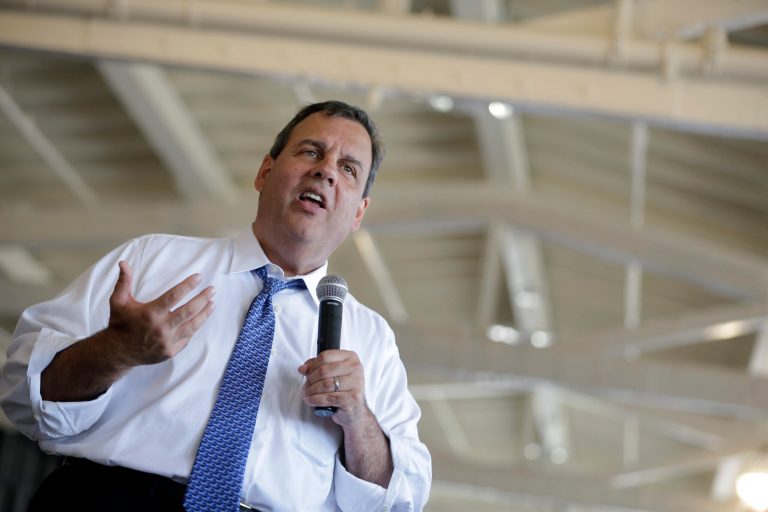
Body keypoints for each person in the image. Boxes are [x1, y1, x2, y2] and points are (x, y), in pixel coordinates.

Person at [0, 100, 432, 511]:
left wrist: (358, 418)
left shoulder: (372, 339)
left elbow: (399, 500)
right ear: (265, 171)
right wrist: (117, 350)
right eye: (311, 152)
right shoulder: (154, 261)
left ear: (359, 213)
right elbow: (24, 391)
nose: (325, 172)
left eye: (348, 168)